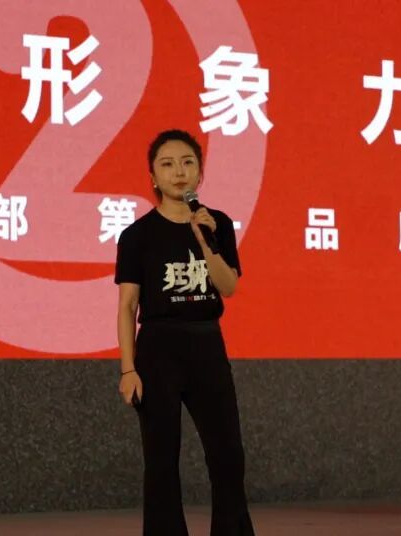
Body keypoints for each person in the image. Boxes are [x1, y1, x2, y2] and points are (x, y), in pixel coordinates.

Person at [114, 129, 256, 535]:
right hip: (158, 349)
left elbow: (228, 287)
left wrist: (205, 241)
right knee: (161, 460)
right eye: (168, 164)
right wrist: (128, 369)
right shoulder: (137, 236)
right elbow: (127, 306)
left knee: (227, 454)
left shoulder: (217, 224)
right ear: (153, 178)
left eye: (188, 162)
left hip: (206, 343)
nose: (179, 171)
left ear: (200, 171)